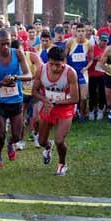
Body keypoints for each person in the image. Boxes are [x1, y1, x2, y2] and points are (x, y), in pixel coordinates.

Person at [33, 46, 79, 176]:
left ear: (64, 61)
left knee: (59, 140)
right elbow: (34, 91)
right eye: (51, 64)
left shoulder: (70, 73)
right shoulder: (41, 70)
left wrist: (55, 102)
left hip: (65, 108)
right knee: (41, 141)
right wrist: (44, 99)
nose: (54, 68)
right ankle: (48, 147)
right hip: (48, 107)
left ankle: (62, 164)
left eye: (58, 65)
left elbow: (75, 98)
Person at [0, 30, 32, 169]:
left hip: (16, 100)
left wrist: (15, 78)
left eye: (8, 43)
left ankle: (10, 143)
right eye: (2, 44)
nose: (6, 47)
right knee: (0, 134)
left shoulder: (18, 53)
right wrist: (2, 83)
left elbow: (29, 74)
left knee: (17, 136)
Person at [64, 23, 93, 122]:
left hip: (82, 73)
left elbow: (91, 59)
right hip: (72, 72)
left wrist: (86, 68)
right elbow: (64, 57)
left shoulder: (89, 44)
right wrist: (67, 69)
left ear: (86, 32)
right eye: (79, 31)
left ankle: (82, 114)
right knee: (70, 95)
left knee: (84, 97)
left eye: (82, 31)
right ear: (75, 32)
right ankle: (71, 114)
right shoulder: (70, 42)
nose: (80, 33)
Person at [88, 32, 109, 120]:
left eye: (105, 41)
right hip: (92, 73)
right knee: (92, 93)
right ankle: (91, 110)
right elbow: (88, 58)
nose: (103, 43)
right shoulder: (93, 48)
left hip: (103, 74)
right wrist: (95, 58)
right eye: (102, 40)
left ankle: (100, 110)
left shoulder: (108, 49)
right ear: (98, 40)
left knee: (102, 93)